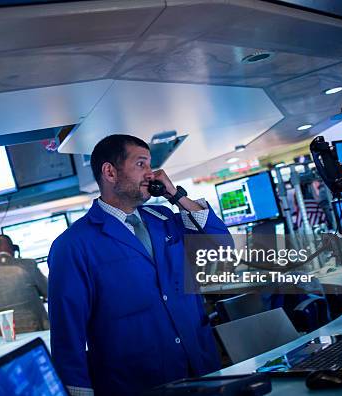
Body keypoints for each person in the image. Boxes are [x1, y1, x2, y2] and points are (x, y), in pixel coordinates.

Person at [48, 135, 231, 396]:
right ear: (110, 172)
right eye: (141, 164)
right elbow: (68, 336)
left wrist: (176, 196)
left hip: (200, 371)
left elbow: (221, 248)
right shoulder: (73, 245)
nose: (152, 174)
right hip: (137, 384)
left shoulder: (165, 218)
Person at [0, 234, 49, 337]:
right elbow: (48, 291)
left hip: (1, 335)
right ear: (12, 248)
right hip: (35, 329)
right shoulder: (28, 265)